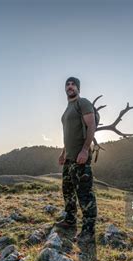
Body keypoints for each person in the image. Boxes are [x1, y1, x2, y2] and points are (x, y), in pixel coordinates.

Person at [55, 76, 98, 242]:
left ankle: (88, 232)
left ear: (78, 88)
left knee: (85, 194)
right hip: (69, 159)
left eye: (73, 84)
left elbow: (91, 125)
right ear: (65, 88)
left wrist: (85, 150)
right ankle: (70, 220)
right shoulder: (67, 109)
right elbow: (69, 134)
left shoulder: (83, 103)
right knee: (68, 192)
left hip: (81, 157)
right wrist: (63, 153)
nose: (70, 86)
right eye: (68, 84)